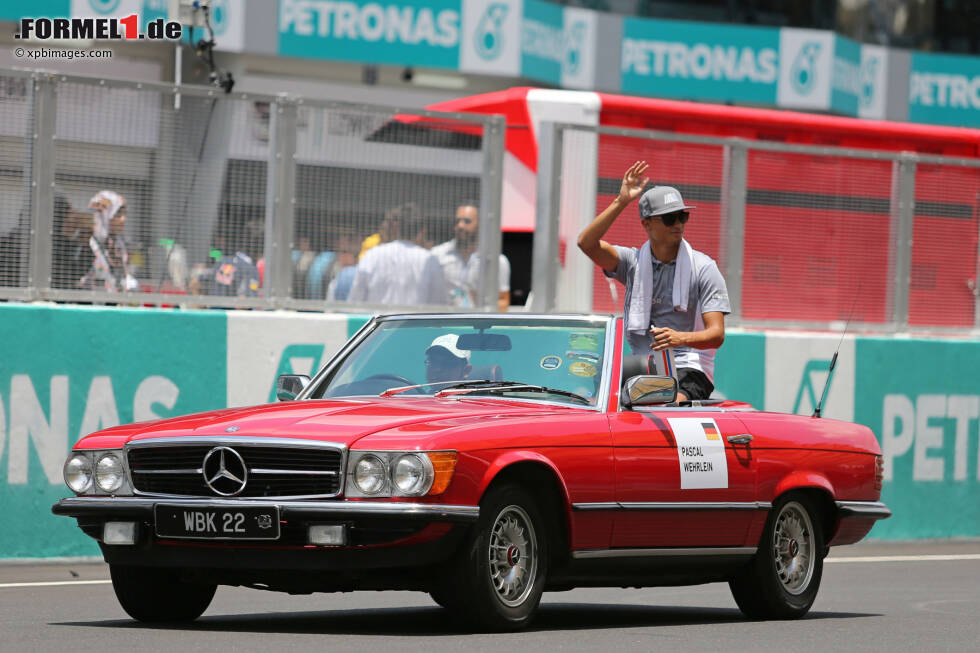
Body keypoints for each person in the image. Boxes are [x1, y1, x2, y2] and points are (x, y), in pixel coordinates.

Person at [577, 160, 730, 402]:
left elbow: (716, 334)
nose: (678, 224)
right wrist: (621, 201)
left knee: (666, 404)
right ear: (646, 224)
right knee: (587, 399)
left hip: (689, 367)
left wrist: (680, 338)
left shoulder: (704, 268)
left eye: (682, 216)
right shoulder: (632, 262)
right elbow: (586, 243)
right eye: (669, 218)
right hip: (642, 364)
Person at [348, 203, 447, 305]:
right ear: (423, 231)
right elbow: (438, 304)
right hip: (414, 320)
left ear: (395, 226)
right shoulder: (430, 260)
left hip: (378, 319)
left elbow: (355, 299)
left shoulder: (373, 255)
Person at [431, 202, 511, 311]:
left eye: (467, 221)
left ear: (480, 225)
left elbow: (503, 302)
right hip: (445, 323)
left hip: (479, 324)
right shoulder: (437, 255)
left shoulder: (497, 261)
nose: (460, 225)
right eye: (457, 221)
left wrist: (484, 305)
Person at [78, 190, 139, 292]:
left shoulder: (119, 245)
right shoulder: (87, 244)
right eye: (118, 215)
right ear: (104, 216)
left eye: (124, 214)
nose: (124, 219)